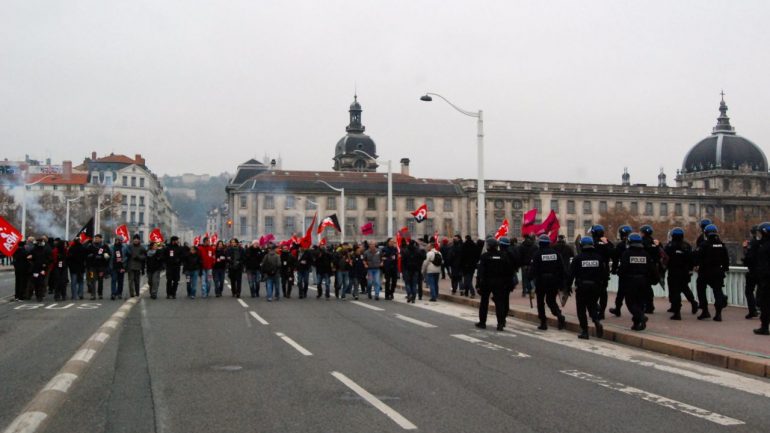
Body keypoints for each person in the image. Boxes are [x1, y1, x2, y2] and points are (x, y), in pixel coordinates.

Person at [567, 237, 607, 339]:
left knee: (581, 310)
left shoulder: (578, 258)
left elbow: (571, 274)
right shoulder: (599, 258)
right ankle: (596, 321)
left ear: (581, 246)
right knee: (592, 306)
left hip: (582, 287)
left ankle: (585, 331)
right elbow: (604, 274)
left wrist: (568, 287)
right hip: (595, 287)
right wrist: (602, 286)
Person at [618, 233, 656, 331]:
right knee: (640, 303)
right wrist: (654, 279)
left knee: (630, 302)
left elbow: (623, 268)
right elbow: (652, 268)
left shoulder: (627, 253)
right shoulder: (645, 254)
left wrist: (620, 275)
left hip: (631, 281)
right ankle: (636, 323)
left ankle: (641, 316)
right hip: (644, 281)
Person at [529, 234, 566, 330]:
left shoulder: (537, 254)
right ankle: (559, 315)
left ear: (540, 243)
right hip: (553, 281)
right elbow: (562, 269)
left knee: (540, 302)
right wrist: (561, 283)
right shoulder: (556, 254)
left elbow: (533, 269)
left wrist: (529, 278)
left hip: (541, 281)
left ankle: (543, 322)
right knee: (551, 301)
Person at [475, 237, 514, 331]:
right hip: (500, 283)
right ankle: (500, 323)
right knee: (499, 303)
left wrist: (478, 284)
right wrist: (508, 283)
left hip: (486, 282)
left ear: (489, 246)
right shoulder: (503, 256)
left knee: (484, 302)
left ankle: (482, 322)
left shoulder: (484, 256)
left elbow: (480, 272)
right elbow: (509, 271)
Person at [694, 224, 730, 321]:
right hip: (718, 271)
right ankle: (718, 314)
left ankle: (705, 311)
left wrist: (696, 265)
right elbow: (726, 259)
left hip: (705, 271)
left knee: (701, 289)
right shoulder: (721, 245)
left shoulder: (704, 245)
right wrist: (725, 269)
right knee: (717, 291)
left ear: (705, 233)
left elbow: (696, 257)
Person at [663, 227, 698, 320]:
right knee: (684, 288)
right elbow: (691, 259)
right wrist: (690, 269)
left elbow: (665, 258)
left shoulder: (669, 246)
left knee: (675, 291)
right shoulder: (687, 245)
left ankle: (677, 312)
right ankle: (693, 302)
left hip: (673, 271)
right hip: (684, 272)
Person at [589, 225, 614, 320]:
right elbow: (613, 254)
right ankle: (602, 312)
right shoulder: (607, 242)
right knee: (603, 293)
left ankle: (594, 309)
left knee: (591, 292)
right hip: (604, 271)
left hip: (593, 271)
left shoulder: (592, 242)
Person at [609, 225, 632, 317]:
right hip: (639, 273)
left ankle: (618, 309)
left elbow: (615, 258)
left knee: (621, 292)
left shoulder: (621, 245)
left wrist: (614, 270)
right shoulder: (638, 244)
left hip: (624, 273)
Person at [640, 225, 663, 314]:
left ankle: (647, 306)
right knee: (648, 288)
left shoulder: (641, 242)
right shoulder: (656, 242)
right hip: (653, 268)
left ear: (642, 233)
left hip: (644, 268)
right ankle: (650, 305)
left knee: (644, 288)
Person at [752, 222, 770, 335]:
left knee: (764, 303)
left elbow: (759, 262)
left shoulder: (764, 247)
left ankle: (764, 327)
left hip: (766, 279)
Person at [742, 226, 760, 319]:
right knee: (762, 290)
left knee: (749, 291)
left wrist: (745, 248)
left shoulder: (752, 243)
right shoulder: (764, 243)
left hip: (754, 271)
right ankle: (760, 307)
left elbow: (748, 258)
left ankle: (753, 310)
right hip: (764, 271)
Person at [86, 234, 109, 300]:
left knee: (100, 280)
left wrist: (102, 257)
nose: (96, 239)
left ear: (101, 239)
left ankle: (100, 294)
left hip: (101, 267)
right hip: (92, 267)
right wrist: (90, 256)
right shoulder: (90, 246)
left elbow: (107, 256)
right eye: (95, 238)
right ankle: (93, 295)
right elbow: (86, 254)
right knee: (91, 280)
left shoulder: (104, 247)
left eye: (98, 238)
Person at [29, 236, 52, 302]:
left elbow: (50, 258)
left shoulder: (43, 249)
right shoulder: (36, 249)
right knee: (38, 281)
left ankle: (39, 295)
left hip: (40, 268)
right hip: (38, 268)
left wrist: (45, 263)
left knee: (39, 281)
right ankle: (39, 295)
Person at [517, 234, 538, 299]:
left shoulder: (521, 246)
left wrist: (520, 264)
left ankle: (524, 292)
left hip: (524, 265)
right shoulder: (535, 246)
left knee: (524, 279)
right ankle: (532, 290)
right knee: (533, 278)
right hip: (532, 265)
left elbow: (519, 256)